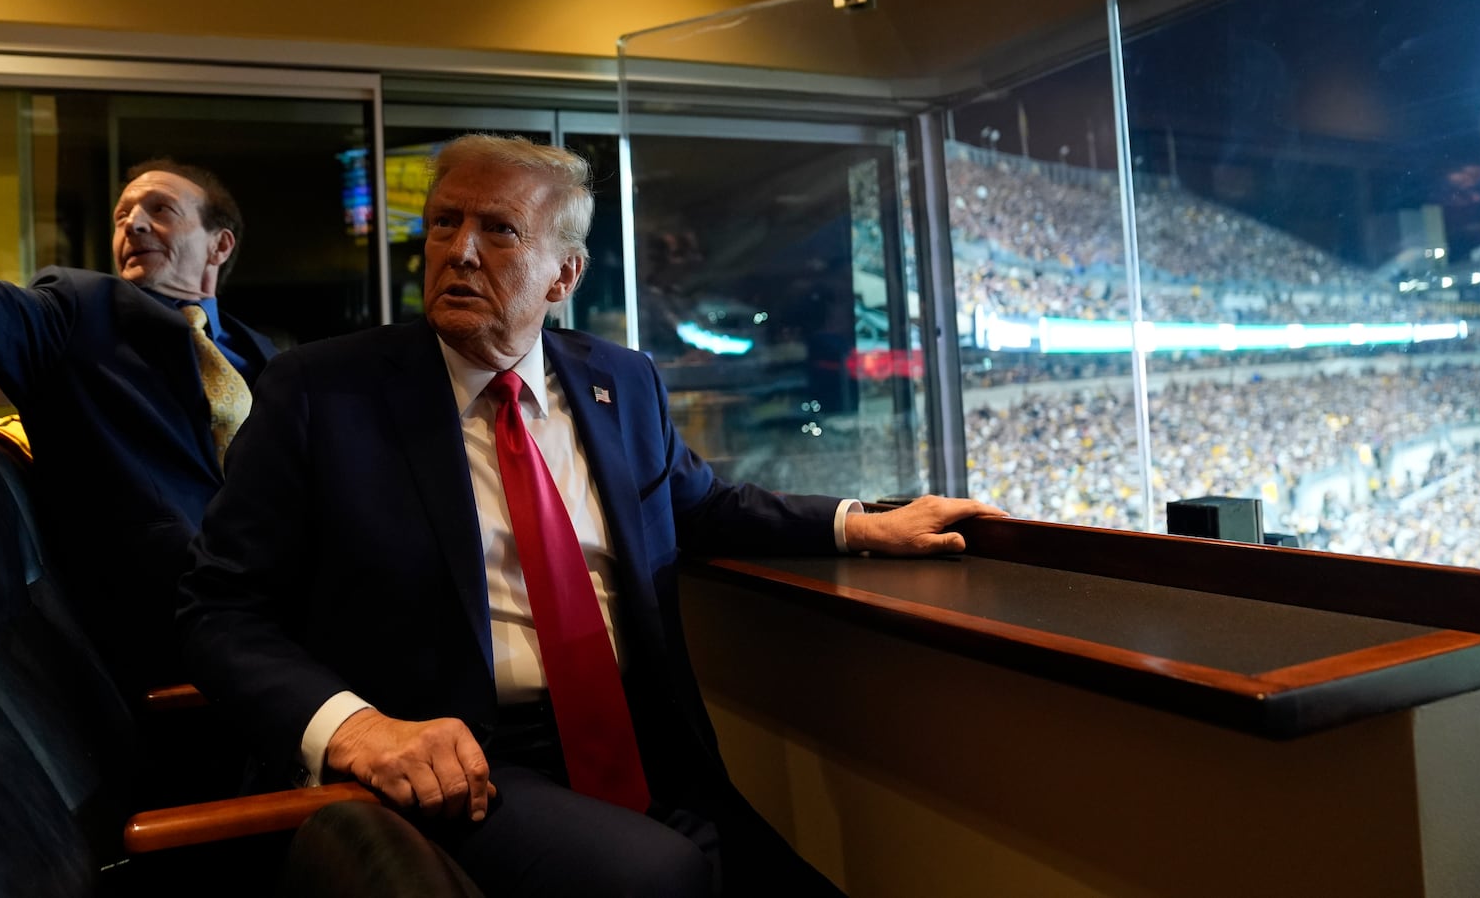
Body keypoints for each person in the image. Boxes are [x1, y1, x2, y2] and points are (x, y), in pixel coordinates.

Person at [176, 135, 1003, 896]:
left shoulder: (622, 382)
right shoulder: (320, 391)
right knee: (662, 876)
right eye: (443, 224)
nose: (458, 250)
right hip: (459, 759)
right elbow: (219, 612)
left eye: (499, 231)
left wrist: (857, 525)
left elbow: (700, 504)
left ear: (564, 277)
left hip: (643, 742)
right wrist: (359, 730)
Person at [0, 158, 277, 695]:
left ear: (219, 246)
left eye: (161, 211)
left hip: (295, 602)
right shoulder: (77, 312)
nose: (134, 225)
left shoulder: (263, 354)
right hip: (175, 632)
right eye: (123, 215)